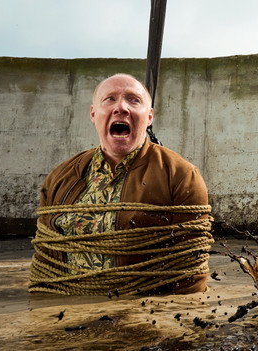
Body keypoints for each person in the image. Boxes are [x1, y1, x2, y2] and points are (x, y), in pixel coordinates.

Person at [30, 73, 211, 295]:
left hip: (142, 316)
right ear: (93, 114)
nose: (121, 108)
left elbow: (190, 275)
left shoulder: (180, 176)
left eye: (134, 100)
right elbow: (44, 265)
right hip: (67, 313)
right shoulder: (61, 177)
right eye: (110, 99)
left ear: (150, 117)